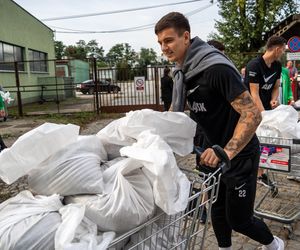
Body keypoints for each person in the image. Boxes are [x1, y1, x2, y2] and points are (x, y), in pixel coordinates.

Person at [155, 12, 284, 250]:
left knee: (239, 219)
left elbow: (252, 114)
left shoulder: (215, 69)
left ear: (186, 37)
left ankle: (275, 244)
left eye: (169, 40)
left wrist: (226, 152)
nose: (164, 47)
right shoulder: (183, 74)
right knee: (216, 208)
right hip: (210, 154)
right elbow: (174, 113)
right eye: (161, 43)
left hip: (239, 154)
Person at [244, 36, 286, 186]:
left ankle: (261, 173)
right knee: (252, 142)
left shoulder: (277, 66)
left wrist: (273, 99)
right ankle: (250, 173)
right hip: (250, 111)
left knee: (267, 141)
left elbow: (275, 86)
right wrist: (265, 115)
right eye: (283, 49)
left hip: (266, 110)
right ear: (277, 49)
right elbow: (253, 94)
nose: (283, 52)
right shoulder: (254, 65)